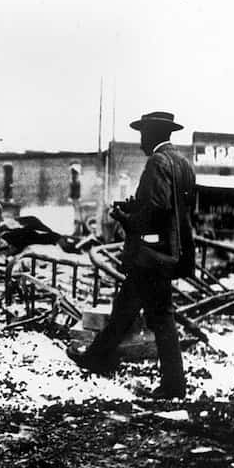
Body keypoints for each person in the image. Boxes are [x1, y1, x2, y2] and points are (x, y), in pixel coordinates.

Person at [68, 111, 196, 399]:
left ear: (152, 134)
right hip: (170, 252)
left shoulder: (157, 162)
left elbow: (157, 209)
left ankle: (173, 385)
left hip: (151, 255)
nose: (140, 142)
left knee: (160, 316)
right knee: (125, 308)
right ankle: (98, 357)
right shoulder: (184, 164)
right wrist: (138, 208)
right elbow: (180, 210)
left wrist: (127, 218)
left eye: (142, 135)